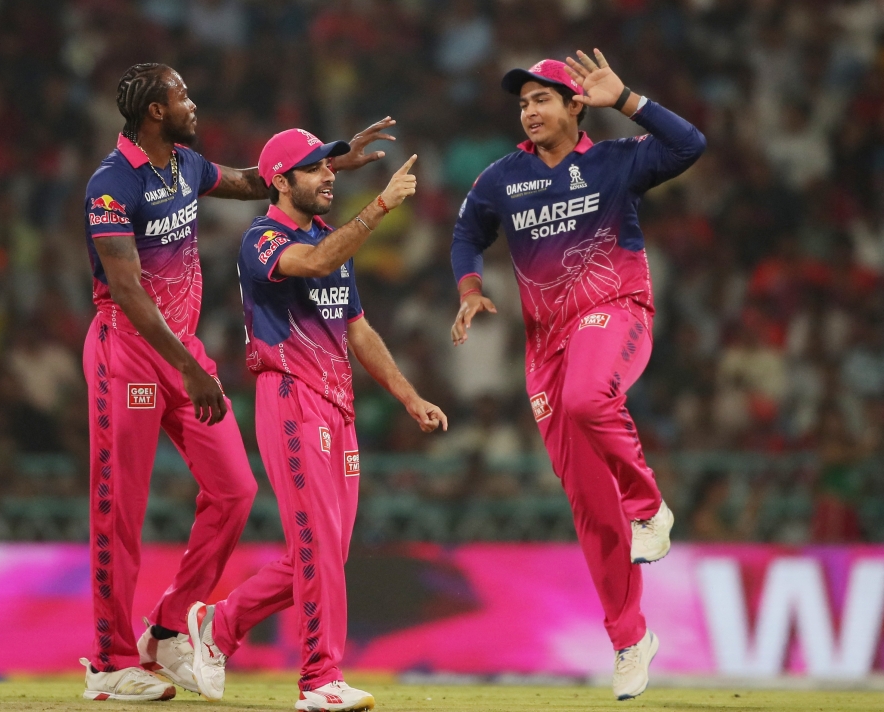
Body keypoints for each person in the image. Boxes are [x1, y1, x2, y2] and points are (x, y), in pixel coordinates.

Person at [79, 63, 396, 702]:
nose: (192, 103)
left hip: (184, 352)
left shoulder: (186, 167)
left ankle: (171, 626)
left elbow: (258, 181)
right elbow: (127, 288)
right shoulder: (111, 186)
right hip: (129, 354)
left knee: (235, 492)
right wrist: (191, 367)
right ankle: (111, 661)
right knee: (121, 511)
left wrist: (330, 167)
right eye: (181, 96)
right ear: (153, 112)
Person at [449, 50, 706, 700]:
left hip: (617, 313)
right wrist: (470, 288)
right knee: (591, 507)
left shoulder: (616, 161)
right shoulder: (502, 178)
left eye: (542, 99)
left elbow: (691, 144)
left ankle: (650, 509)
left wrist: (628, 100)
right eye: (522, 103)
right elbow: (465, 235)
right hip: (547, 350)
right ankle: (629, 640)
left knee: (591, 398)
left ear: (575, 105)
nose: (530, 111)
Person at [186, 129, 447, 712]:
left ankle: (219, 626)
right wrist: (379, 206)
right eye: (314, 168)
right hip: (291, 399)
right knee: (319, 547)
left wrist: (408, 396)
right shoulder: (262, 240)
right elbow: (314, 263)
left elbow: (358, 329)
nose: (329, 175)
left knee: (324, 550)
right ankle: (319, 679)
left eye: (329, 166)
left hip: (340, 407)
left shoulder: (332, 236)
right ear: (280, 180)